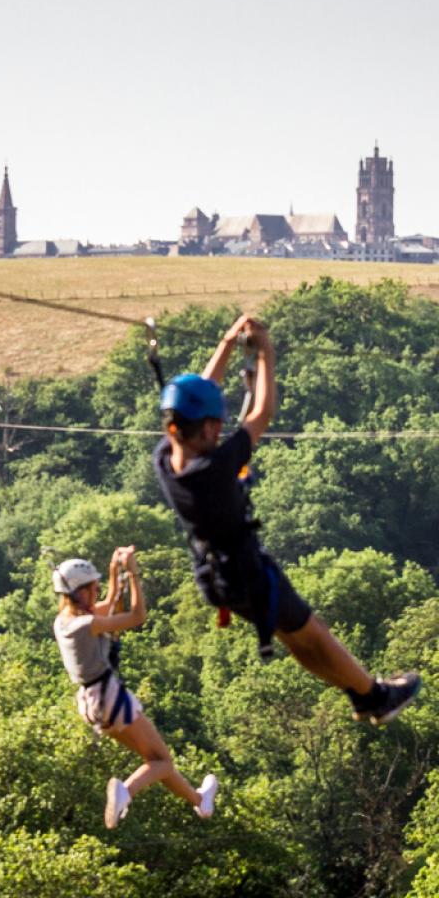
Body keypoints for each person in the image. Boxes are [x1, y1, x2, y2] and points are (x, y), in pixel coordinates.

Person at [153, 314, 421, 727]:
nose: (219, 429)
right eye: (213, 425)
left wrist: (226, 344)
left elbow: (203, 392)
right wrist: (267, 355)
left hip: (216, 578)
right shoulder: (214, 468)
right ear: (197, 428)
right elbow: (262, 412)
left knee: (298, 637)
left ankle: (360, 692)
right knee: (314, 634)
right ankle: (376, 695)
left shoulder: (166, 460)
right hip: (246, 573)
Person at [53, 545, 218, 827]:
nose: (97, 592)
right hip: (110, 697)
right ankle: (124, 791)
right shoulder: (86, 624)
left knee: (153, 761)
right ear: (80, 591)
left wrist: (114, 571)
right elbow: (136, 617)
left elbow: (110, 603)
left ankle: (199, 802)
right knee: (163, 761)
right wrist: (133, 574)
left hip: (91, 704)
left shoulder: (65, 622)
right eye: (93, 588)